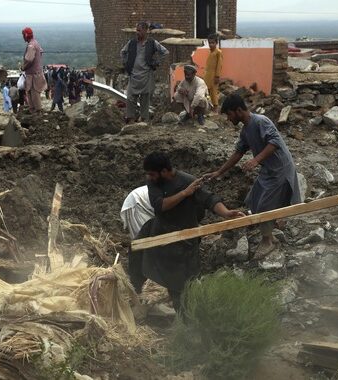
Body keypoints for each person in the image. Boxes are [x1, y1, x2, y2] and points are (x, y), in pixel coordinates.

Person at [129, 152, 244, 311]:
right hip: (158, 231)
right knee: (136, 256)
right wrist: (184, 193)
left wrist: (226, 213)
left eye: (152, 174)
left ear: (164, 171)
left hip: (183, 239)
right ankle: (133, 297)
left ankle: (186, 323)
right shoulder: (154, 183)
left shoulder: (187, 181)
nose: (149, 177)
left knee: (180, 287)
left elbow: (210, 199)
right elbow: (160, 205)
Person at [206, 94, 301, 259]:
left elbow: (274, 142)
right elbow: (239, 152)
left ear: (238, 110)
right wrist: (219, 172)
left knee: (265, 205)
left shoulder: (260, 121)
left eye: (229, 114)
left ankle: (268, 240)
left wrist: (256, 160)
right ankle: (271, 226)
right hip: (268, 170)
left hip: (279, 169)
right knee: (254, 199)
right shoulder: (245, 130)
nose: (228, 119)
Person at [120, 21, 169, 123]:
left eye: (139, 30)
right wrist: (126, 63)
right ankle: (131, 119)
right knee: (130, 98)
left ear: (146, 31)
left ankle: (143, 119)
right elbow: (123, 52)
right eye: (136, 30)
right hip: (133, 75)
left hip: (146, 75)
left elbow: (165, 52)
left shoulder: (152, 43)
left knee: (145, 98)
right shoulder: (132, 43)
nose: (137, 33)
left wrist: (156, 62)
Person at [21, 27, 47, 113]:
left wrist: (23, 67)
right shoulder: (36, 43)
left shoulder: (31, 46)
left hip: (33, 76)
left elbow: (29, 59)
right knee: (33, 94)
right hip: (37, 73)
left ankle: (37, 113)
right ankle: (35, 112)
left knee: (33, 95)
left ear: (26, 35)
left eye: (23, 35)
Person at [204, 34, 223, 108]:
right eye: (209, 43)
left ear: (216, 43)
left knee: (213, 92)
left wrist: (217, 76)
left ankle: (215, 108)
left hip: (214, 76)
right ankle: (208, 106)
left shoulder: (218, 52)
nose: (211, 44)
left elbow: (219, 65)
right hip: (208, 76)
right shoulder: (211, 52)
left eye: (213, 43)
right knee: (206, 91)